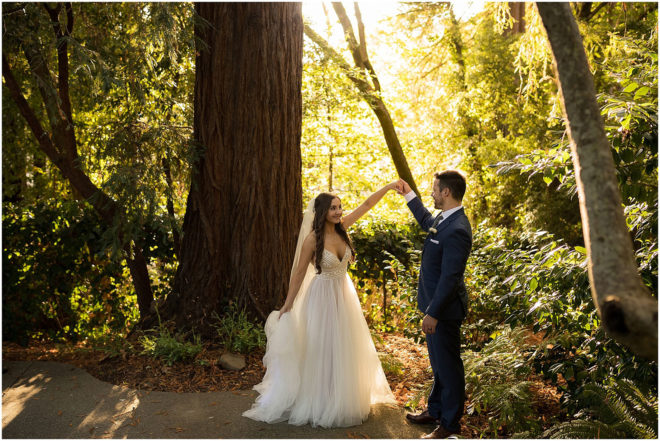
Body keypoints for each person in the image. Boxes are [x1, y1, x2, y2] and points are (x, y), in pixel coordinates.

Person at [243, 183, 399, 428]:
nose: (338, 212)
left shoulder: (343, 228)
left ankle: (341, 396)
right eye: (333, 208)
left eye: (339, 207)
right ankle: (320, 399)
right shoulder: (311, 240)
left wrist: (389, 187)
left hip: (344, 295)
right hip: (321, 297)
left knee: (344, 347)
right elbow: (297, 275)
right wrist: (287, 305)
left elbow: (367, 205)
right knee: (322, 347)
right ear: (322, 211)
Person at [396, 171, 472, 439]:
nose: (432, 193)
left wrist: (434, 313)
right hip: (434, 308)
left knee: (449, 368)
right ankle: (436, 410)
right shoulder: (443, 218)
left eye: (434, 190)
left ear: (446, 193)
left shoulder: (458, 230)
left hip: (443, 312)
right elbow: (427, 219)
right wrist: (408, 194)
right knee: (439, 365)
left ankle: (450, 425)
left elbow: (451, 278)